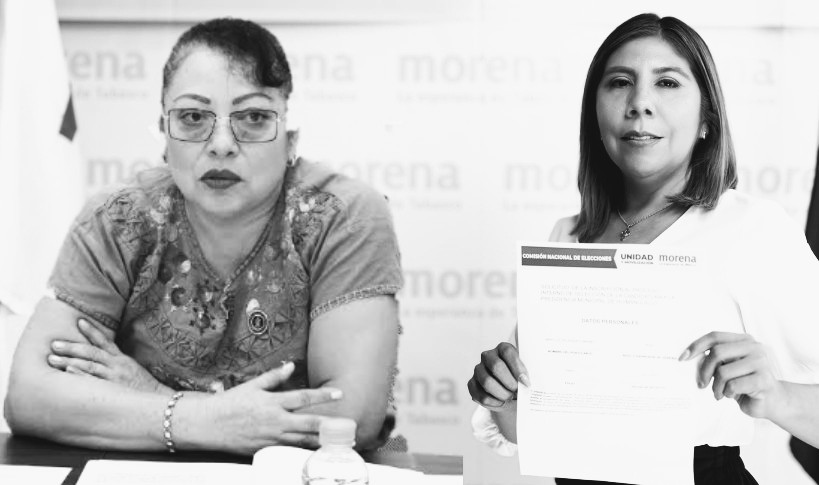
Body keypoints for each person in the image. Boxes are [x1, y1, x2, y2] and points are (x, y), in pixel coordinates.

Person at [4, 17, 402, 455]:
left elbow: (349, 415)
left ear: (290, 139)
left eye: (253, 118)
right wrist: (206, 420)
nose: (222, 143)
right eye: (193, 117)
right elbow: (30, 397)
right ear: (164, 133)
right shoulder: (119, 219)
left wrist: (153, 395)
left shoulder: (342, 216)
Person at [467, 13, 819, 485]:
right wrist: (503, 396)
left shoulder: (752, 231)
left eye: (667, 83)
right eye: (620, 83)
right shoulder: (567, 236)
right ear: (595, 114)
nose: (640, 104)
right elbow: (536, 432)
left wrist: (777, 396)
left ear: (706, 120)